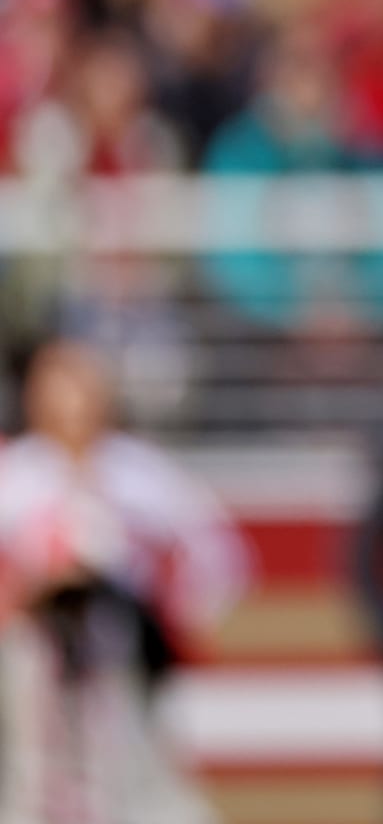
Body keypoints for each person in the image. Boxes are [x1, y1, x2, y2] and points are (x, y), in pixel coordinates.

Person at [0, 341, 247, 824]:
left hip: (121, 646)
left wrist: (176, 615)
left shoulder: (140, 473)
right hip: (35, 654)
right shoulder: (17, 477)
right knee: (34, 771)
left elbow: (218, 553)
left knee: (133, 768)